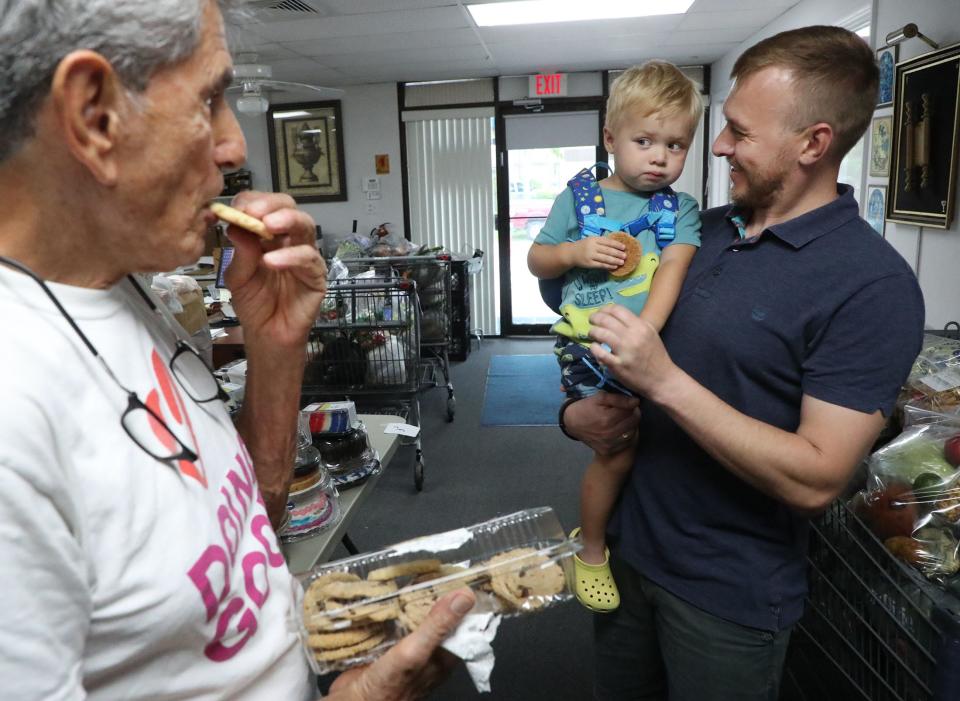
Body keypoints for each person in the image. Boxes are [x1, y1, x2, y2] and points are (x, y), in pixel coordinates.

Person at [0, 1, 474, 699]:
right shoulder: (17, 408)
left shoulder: (126, 288)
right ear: (93, 114)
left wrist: (276, 345)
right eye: (211, 99)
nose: (236, 147)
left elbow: (247, 521)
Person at [558, 26, 925, 700]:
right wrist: (575, 413)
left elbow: (818, 477)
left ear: (812, 143)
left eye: (739, 131)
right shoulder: (703, 231)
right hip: (629, 551)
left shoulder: (873, 285)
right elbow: (612, 349)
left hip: (728, 593)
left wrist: (662, 379)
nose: (718, 145)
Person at [527, 61, 702, 612]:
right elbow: (537, 260)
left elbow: (672, 269)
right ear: (611, 138)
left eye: (675, 145)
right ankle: (592, 548)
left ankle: (646, 540)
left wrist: (644, 335)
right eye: (644, 140)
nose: (659, 157)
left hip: (645, 348)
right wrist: (574, 253)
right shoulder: (577, 200)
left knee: (673, 443)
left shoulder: (681, 211)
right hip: (586, 343)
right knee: (618, 449)